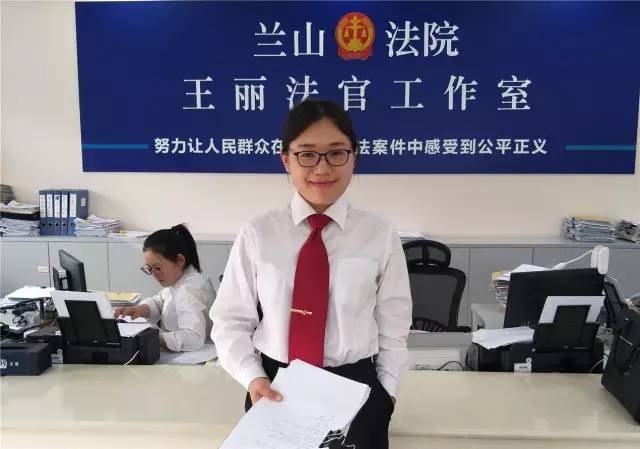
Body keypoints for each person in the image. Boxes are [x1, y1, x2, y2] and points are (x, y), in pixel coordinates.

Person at [210, 100, 412, 448]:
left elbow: (394, 326)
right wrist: (252, 377)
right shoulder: (258, 233)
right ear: (286, 159)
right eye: (307, 154)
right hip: (274, 387)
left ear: (354, 157)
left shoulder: (379, 235)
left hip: (356, 389)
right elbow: (230, 321)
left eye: (336, 153)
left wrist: (387, 394)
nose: (322, 167)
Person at [115, 224, 216, 352]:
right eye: (149, 268)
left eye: (158, 268)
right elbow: (161, 301)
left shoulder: (189, 290)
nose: (154, 274)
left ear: (180, 260)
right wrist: (141, 309)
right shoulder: (182, 278)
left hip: (196, 357)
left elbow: (194, 338)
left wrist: (154, 337)